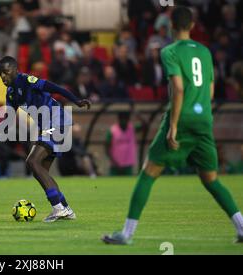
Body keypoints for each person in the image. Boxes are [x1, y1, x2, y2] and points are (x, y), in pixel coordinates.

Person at [102, 6, 243, 245]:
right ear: (192, 26)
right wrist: (200, 114)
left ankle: (126, 234)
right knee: (211, 178)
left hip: (183, 116)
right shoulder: (205, 51)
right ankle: (241, 227)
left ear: (170, 26)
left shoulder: (169, 51)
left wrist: (174, 125)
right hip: (204, 118)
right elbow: (209, 89)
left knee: (149, 172)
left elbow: (178, 88)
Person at [0, 56, 91, 222]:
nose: (3, 77)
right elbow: (7, 122)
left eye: (6, 72)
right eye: (0, 74)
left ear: (15, 70)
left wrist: (76, 101)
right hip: (48, 126)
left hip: (57, 121)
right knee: (40, 170)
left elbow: (55, 87)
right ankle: (65, 208)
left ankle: (58, 208)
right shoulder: (11, 93)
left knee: (32, 162)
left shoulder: (27, 80)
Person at [105, 112, 138, 176]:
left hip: (128, 165)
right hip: (115, 166)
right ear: (119, 119)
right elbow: (106, 148)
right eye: (122, 119)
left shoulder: (132, 128)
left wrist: (138, 115)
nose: (124, 121)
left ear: (128, 120)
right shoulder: (112, 130)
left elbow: (146, 125)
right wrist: (114, 162)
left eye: (126, 119)